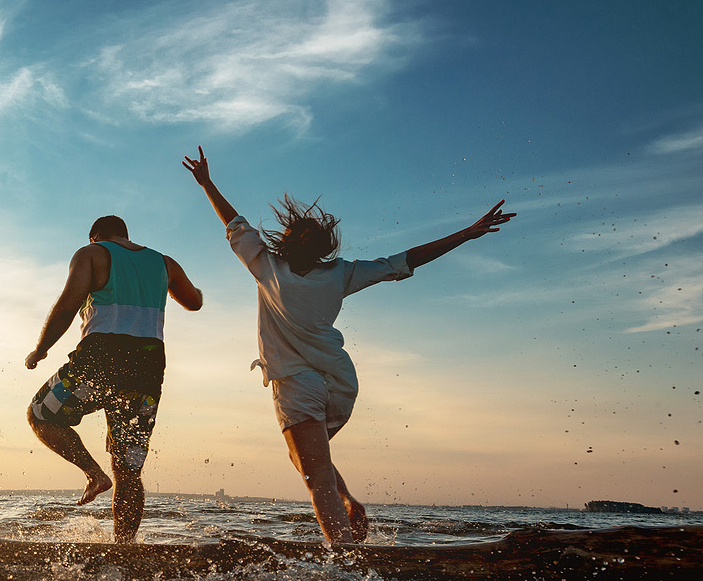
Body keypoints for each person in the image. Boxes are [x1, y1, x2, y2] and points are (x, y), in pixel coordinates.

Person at [181, 146, 516, 543]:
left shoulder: (266, 265)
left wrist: (206, 183)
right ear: (322, 248)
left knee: (314, 476)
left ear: (286, 241)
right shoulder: (341, 273)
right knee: (306, 459)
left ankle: (343, 561)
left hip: (298, 383)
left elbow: (233, 221)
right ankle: (349, 502)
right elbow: (404, 261)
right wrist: (466, 233)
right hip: (341, 384)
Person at [23, 215, 204, 543]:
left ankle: (93, 474)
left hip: (102, 356)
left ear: (96, 237)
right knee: (129, 467)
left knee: (41, 415)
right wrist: (187, 289)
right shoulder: (165, 263)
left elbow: (68, 304)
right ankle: (124, 547)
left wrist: (41, 349)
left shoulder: (91, 254)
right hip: (148, 366)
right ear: (126, 235)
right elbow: (194, 302)